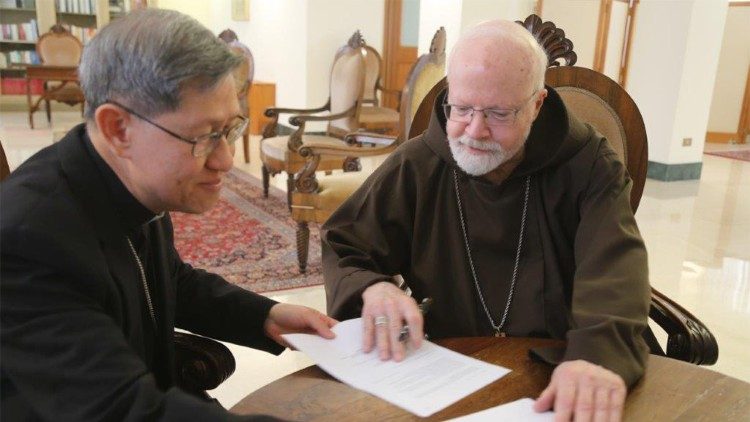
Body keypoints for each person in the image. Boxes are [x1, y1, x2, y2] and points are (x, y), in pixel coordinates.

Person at [1, 9, 335, 421]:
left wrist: (264, 315)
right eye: (206, 137)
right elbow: (124, 411)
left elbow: (168, 279)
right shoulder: (26, 242)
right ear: (118, 129)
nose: (226, 160)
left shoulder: (130, 178)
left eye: (229, 130)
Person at [322, 20, 650, 421]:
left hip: (564, 368)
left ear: (537, 104)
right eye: (461, 108)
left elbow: (614, 270)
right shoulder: (418, 164)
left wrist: (597, 355)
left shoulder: (590, 166)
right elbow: (345, 243)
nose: (475, 131)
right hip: (445, 371)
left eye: (498, 113)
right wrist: (373, 289)